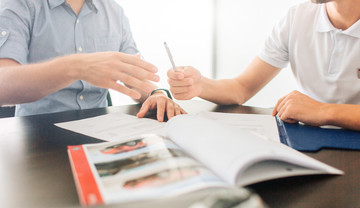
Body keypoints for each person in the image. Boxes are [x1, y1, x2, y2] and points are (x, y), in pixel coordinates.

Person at [167, 0, 360, 130]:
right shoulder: (297, 18)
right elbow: (241, 88)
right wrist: (200, 85)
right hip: (312, 140)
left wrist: (322, 111)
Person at [0, 0, 185, 122]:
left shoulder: (114, 11)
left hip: (101, 133)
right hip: (38, 137)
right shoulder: (19, 5)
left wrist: (157, 94)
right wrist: (76, 67)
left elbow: (132, 72)